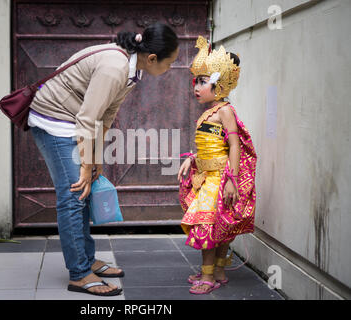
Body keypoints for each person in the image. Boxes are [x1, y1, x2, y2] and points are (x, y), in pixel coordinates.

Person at [28, 22, 179, 296]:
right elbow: (88, 118)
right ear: (153, 58)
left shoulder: (132, 69)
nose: (170, 69)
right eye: (170, 63)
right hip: (54, 119)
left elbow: (105, 115)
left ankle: (86, 260)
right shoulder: (115, 68)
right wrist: (85, 166)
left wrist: (95, 160)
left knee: (85, 188)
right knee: (74, 193)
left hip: (73, 120)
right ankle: (79, 274)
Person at [177, 35, 257, 294]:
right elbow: (210, 145)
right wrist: (191, 159)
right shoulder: (209, 112)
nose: (196, 87)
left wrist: (232, 180)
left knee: (208, 225)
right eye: (196, 82)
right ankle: (218, 270)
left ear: (218, 84)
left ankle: (208, 276)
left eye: (203, 82)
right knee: (216, 225)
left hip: (220, 178)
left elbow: (234, 145)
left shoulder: (225, 111)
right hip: (207, 175)